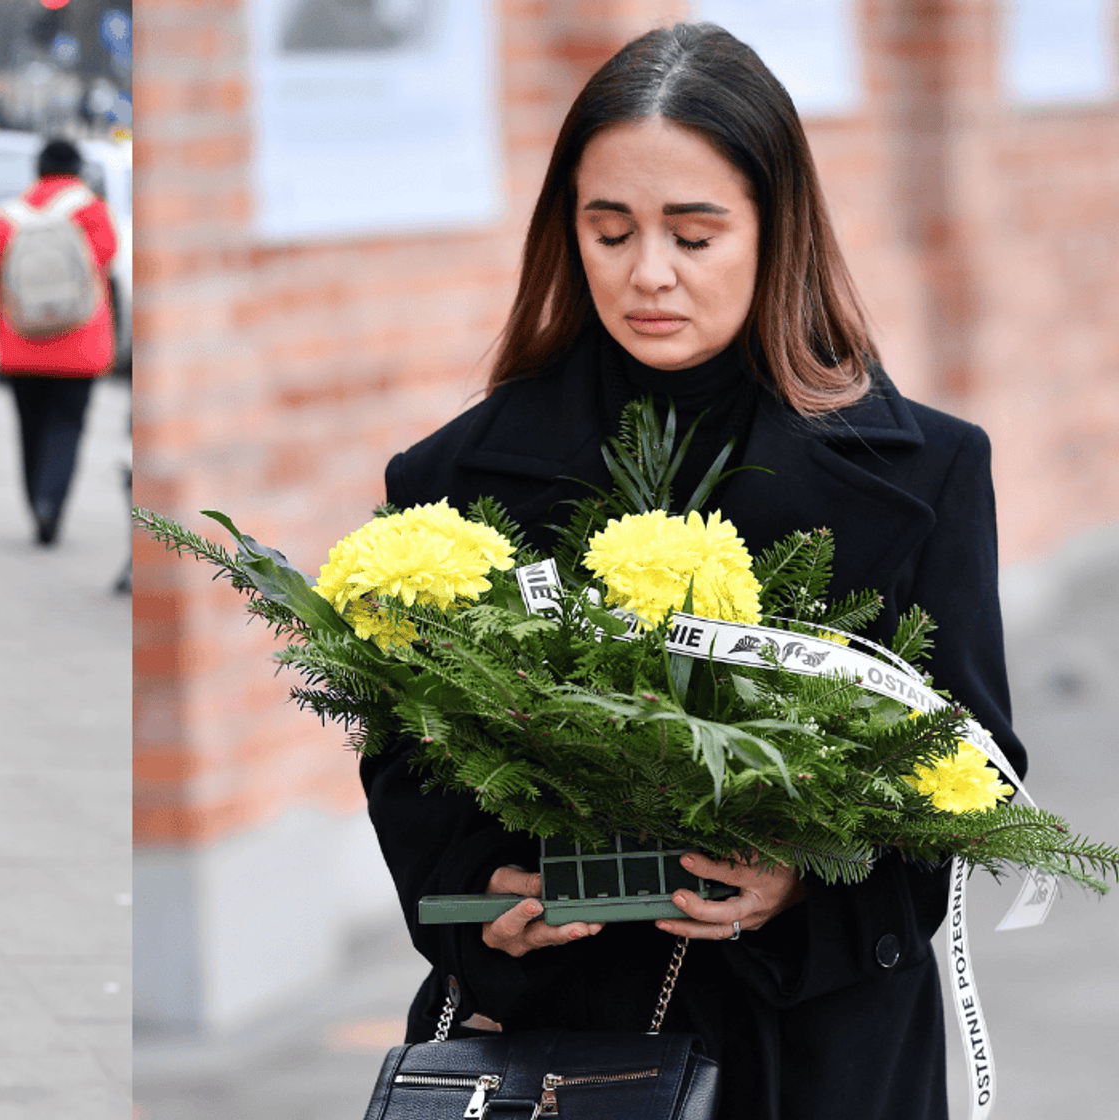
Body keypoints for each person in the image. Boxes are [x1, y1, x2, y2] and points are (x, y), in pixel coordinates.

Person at [364, 23, 1022, 1120]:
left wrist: (802, 886)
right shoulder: (453, 479)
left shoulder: (930, 471)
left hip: (819, 1048)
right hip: (560, 1040)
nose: (648, 273)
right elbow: (403, 757)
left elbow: (970, 768)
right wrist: (482, 900)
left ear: (776, 231)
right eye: (609, 231)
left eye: (695, 234)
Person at [0, 137, 117, 546]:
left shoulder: (8, 216)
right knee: (67, 428)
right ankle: (51, 503)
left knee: (30, 429)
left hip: (21, 346)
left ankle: (35, 504)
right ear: (78, 169)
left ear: (37, 170)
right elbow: (105, 258)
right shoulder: (93, 212)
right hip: (80, 347)